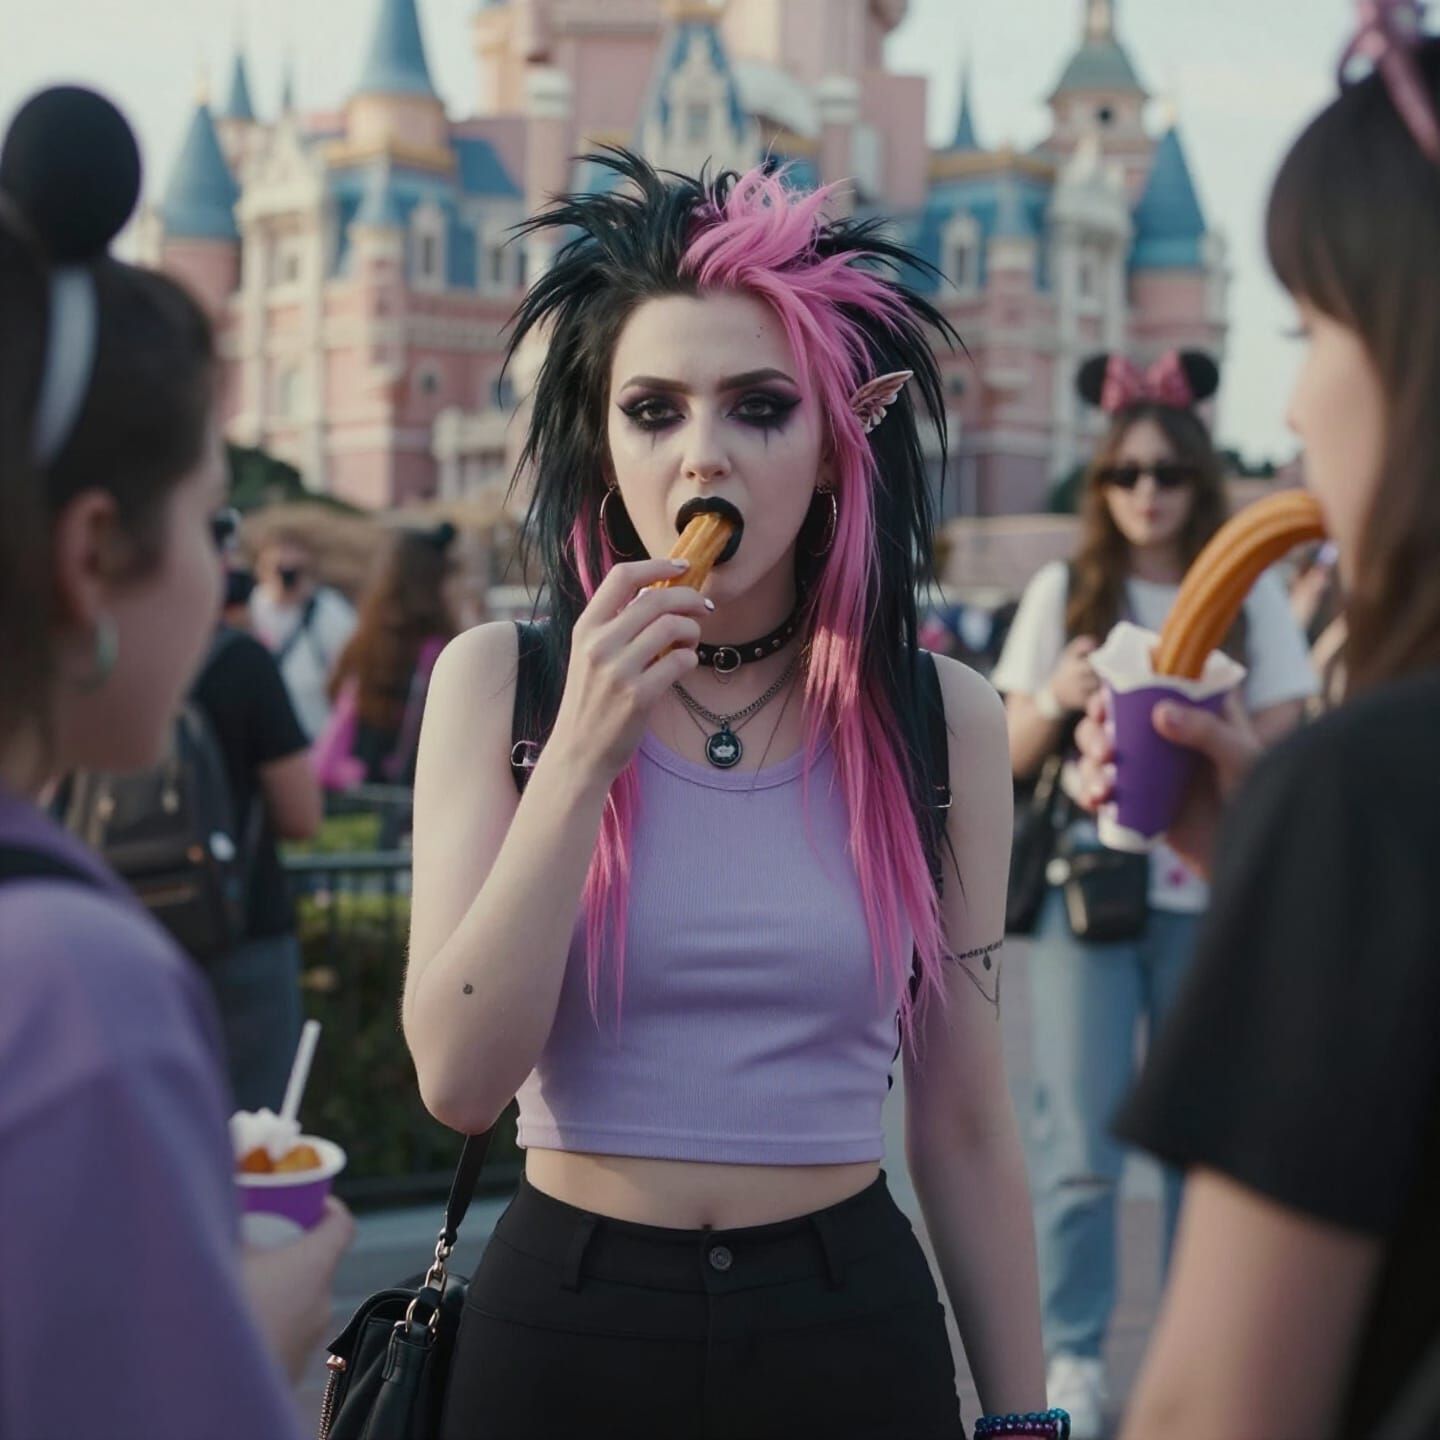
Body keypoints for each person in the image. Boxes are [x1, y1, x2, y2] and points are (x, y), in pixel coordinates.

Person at [404, 152, 1053, 1439]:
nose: (703, 455)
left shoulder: (943, 719)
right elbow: (461, 1081)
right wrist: (586, 751)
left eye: (760, 408)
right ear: (604, 439)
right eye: (653, 410)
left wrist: (1026, 1421)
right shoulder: (503, 687)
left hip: (844, 1321)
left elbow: (968, 1125)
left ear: (829, 449)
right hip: (567, 1322)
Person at [1068, 16, 1440, 1440]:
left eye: (1312, 330)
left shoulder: (1368, 796)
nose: (1291, 401)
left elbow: (1215, 1412)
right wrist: (1263, 870)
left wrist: (1307, 856)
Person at [0, 86, 351, 1438]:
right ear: (94, 556)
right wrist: (248, 1337)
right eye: (211, 521)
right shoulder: (75, 992)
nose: (225, 574)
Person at [989, 351, 1316, 1437]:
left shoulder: (1255, 591)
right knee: (1078, 1145)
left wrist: (1211, 728)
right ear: (1100, 484)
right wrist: (1067, 693)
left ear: (1198, 478)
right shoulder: (1061, 593)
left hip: (1208, 897)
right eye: (1125, 474)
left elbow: (1284, 736)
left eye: (1168, 472)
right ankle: (1074, 1358)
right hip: (1092, 892)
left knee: (1197, 1148)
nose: (1147, 493)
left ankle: (1191, 1351)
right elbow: (1007, 741)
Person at [193, 568, 322, 1110]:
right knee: (254, 1141)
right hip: (240, 929)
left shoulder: (66, 662)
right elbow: (301, 815)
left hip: (106, 923)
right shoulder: (240, 661)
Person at [325, 521, 460, 788]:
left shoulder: (365, 639)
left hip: (360, 783)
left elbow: (337, 696)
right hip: (419, 788)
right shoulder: (442, 650)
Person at [249, 525, 356, 739]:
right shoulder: (252, 608)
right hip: (264, 738)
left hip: (316, 736)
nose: (287, 578)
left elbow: (352, 674)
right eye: (279, 568)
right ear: (262, 569)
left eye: (295, 570)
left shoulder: (330, 611)